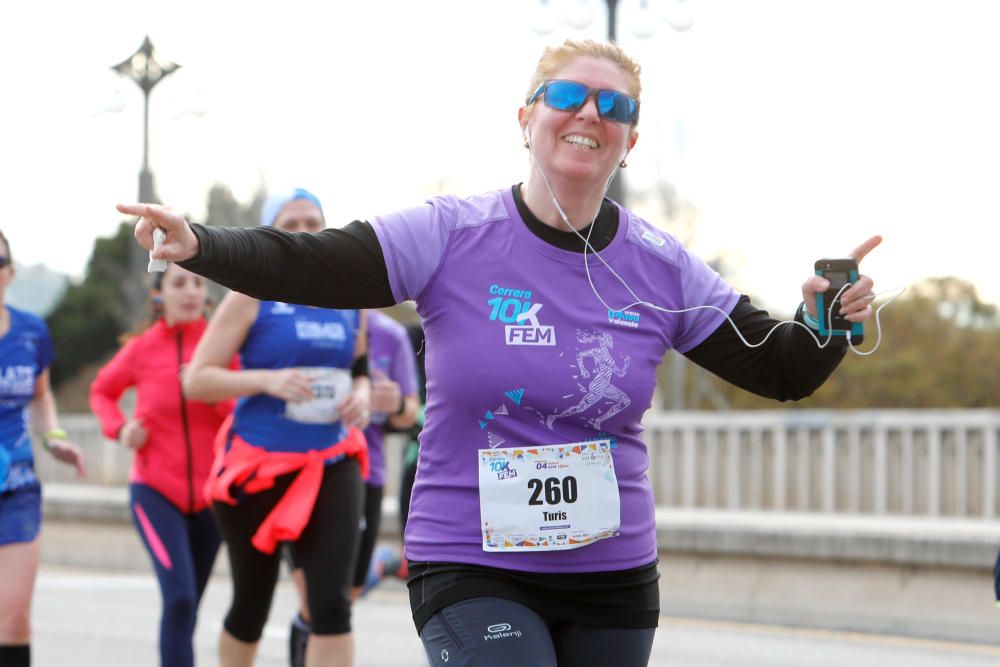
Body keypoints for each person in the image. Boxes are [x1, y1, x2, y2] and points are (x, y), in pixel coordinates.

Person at [121, 39, 881, 667]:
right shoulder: (452, 234)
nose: (591, 113)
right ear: (527, 119)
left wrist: (828, 322)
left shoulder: (660, 265)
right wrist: (202, 244)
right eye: (569, 96)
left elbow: (778, 366)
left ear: (630, 140)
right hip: (471, 561)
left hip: (611, 572)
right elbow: (315, 263)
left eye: (614, 106)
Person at [181, 188, 371, 667]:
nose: (305, 233)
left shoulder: (350, 296)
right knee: (251, 606)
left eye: (314, 223)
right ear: (270, 234)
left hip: (330, 460)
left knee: (332, 605)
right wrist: (268, 380)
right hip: (257, 467)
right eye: (291, 224)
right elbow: (196, 380)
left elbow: (361, 367)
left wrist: (364, 396)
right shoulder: (249, 297)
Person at [89, 263, 236, 667]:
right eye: (179, 283)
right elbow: (101, 391)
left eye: (197, 282)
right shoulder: (141, 349)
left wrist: (212, 392)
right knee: (180, 597)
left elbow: (246, 407)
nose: (190, 291)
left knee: (186, 609)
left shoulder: (221, 346)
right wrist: (120, 429)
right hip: (155, 493)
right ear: (159, 295)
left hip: (211, 499)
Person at [289, 309, 419, 667]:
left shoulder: (390, 335)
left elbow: (411, 409)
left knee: (348, 595)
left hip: (368, 474)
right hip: (309, 469)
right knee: (318, 601)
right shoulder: (310, 318)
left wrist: (396, 406)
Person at [0, 230, 86, 667]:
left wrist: (54, 439)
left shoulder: (31, 332)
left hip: (16, 488)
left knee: (13, 618)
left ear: (10, 274)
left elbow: (42, 395)